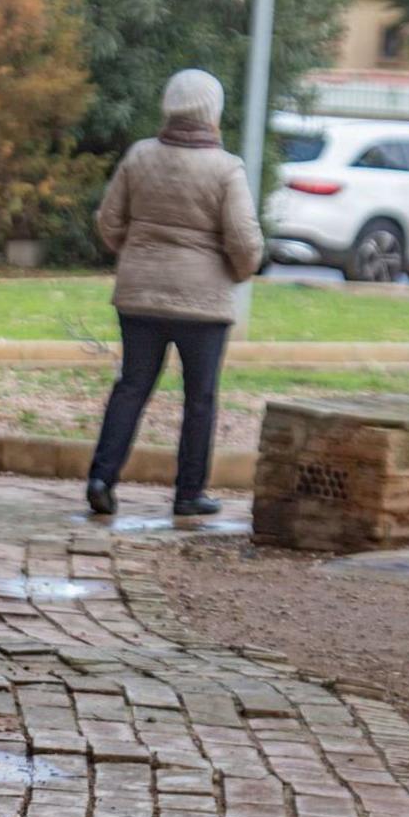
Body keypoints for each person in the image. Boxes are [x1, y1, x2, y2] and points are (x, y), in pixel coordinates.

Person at [86, 68, 264, 518]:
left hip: (139, 295)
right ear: (213, 114)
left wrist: (136, 256)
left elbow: (108, 220)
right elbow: (244, 240)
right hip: (203, 305)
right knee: (200, 397)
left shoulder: (140, 156)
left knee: (132, 386)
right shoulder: (226, 169)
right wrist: (238, 273)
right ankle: (188, 493)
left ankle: (102, 478)